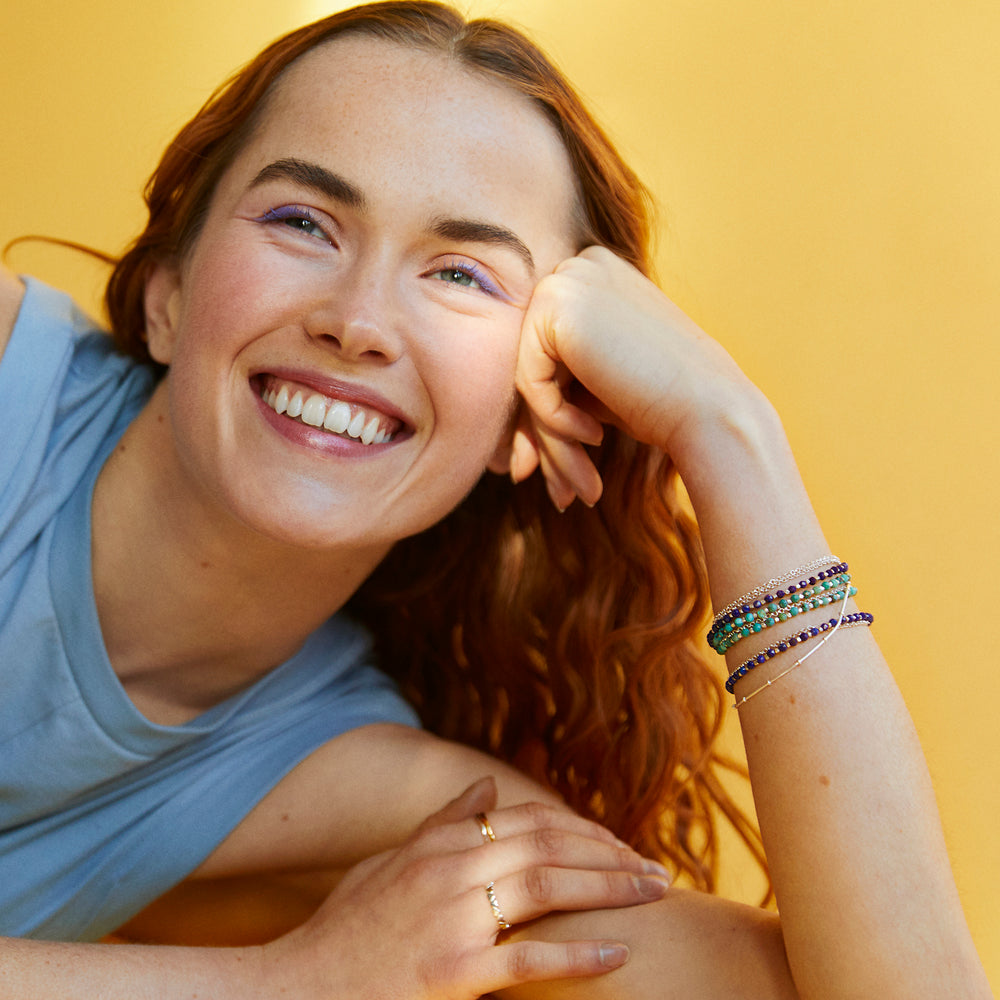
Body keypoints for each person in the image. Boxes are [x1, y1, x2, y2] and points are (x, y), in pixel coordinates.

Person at [0, 1, 990, 997]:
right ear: (168, 295)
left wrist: (729, 433)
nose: (358, 321)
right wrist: (291, 983)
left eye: (461, 274)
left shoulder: (366, 792)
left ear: (524, 418)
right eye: (302, 220)